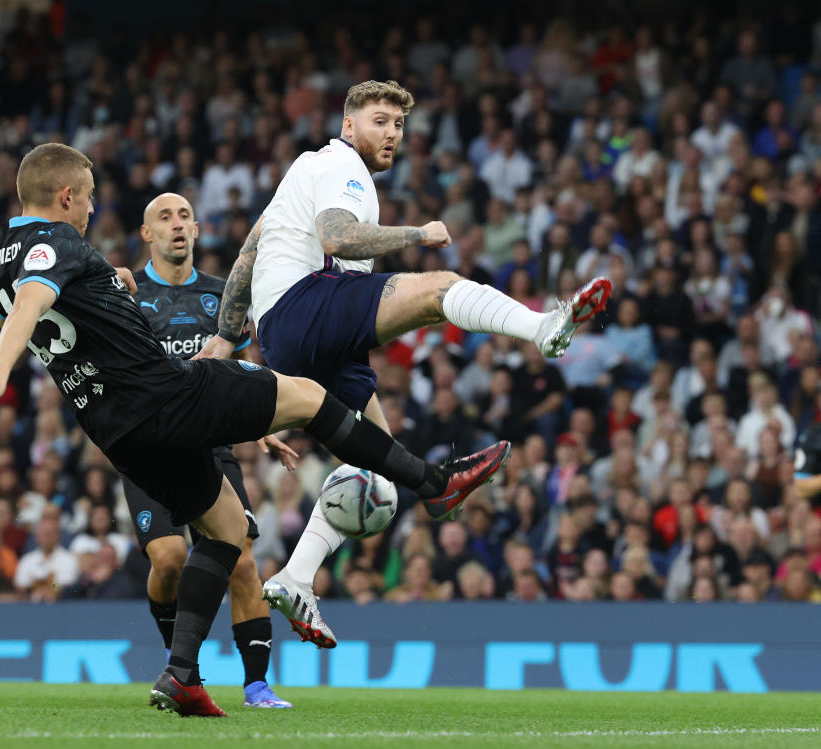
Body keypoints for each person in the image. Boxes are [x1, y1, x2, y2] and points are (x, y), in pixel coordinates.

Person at [0, 143, 508, 717]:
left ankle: (181, 676)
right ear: (66, 196)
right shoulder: (55, 242)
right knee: (308, 395)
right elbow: (34, 301)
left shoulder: (9, 258)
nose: (91, 211)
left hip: (117, 431)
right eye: (89, 200)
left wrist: (109, 286)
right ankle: (432, 484)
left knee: (227, 530)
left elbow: (46, 309)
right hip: (163, 394)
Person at [198, 80, 609, 647]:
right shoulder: (343, 166)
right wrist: (419, 233)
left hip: (295, 331)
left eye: (398, 124)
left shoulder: (307, 168)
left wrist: (226, 335)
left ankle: (295, 578)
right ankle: (545, 328)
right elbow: (337, 239)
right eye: (379, 120)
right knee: (439, 288)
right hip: (306, 305)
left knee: (379, 475)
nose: (391, 133)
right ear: (348, 125)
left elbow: (249, 248)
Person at [126, 191, 294, 708]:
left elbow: (238, 372)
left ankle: (257, 687)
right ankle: (183, 665)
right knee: (171, 557)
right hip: (149, 448)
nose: (176, 225)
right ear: (147, 235)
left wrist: (261, 424)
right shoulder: (127, 297)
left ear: (196, 230)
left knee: (241, 558)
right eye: (164, 218)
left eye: (184, 217)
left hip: (210, 443)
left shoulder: (224, 296)